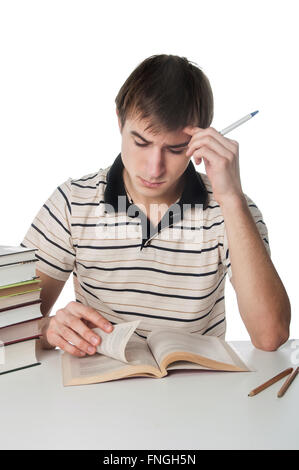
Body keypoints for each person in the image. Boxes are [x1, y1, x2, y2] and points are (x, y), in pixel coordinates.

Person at [20, 54, 291, 357]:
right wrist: (47, 329)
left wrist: (231, 199)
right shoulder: (72, 203)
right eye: (141, 142)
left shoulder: (233, 210)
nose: (154, 169)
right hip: (98, 389)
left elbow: (271, 335)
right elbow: (8, 323)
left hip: (201, 393)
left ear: (203, 139)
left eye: (175, 149)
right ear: (120, 122)